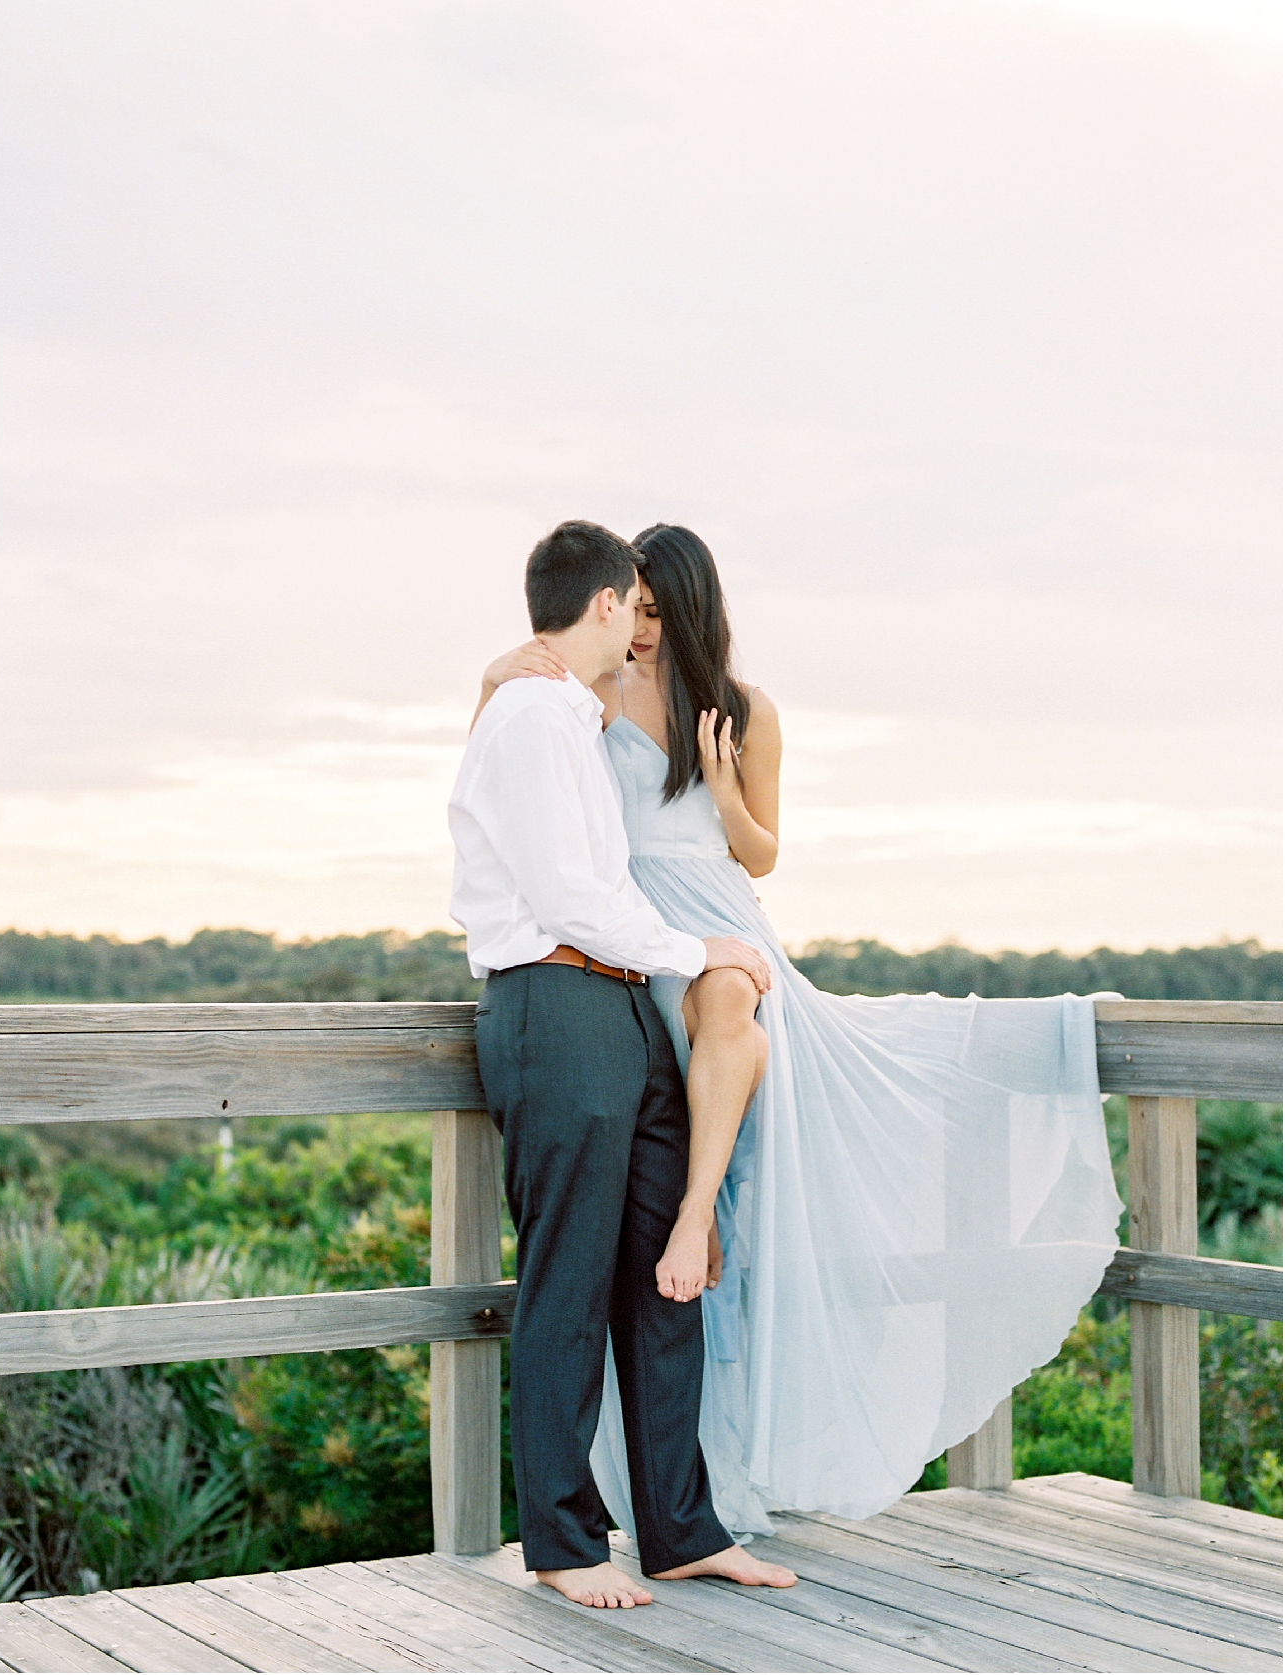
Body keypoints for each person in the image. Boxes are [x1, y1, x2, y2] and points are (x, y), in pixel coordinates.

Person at [474, 521, 1124, 1541]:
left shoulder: (739, 709)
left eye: (653, 610)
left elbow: (762, 852)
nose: (637, 628)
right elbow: (529, 792)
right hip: (622, 928)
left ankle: (699, 1235)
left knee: (732, 1033)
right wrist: (492, 683)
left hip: (710, 912)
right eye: (628, 607)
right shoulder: (582, 696)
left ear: (684, 608)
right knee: (618, 1219)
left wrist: (723, 785)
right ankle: (653, 1469)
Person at [448, 519, 797, 1608]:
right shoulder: (529, 717)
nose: (640, 624)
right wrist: (700, 952)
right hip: (554, 1001)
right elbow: (571, 900)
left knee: (661, 1268)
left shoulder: (576, 716)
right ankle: (559, 1540)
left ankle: (680, 1526)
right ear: (606, 605)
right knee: (566, 1280)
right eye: (629, 604)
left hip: (622, 1010)